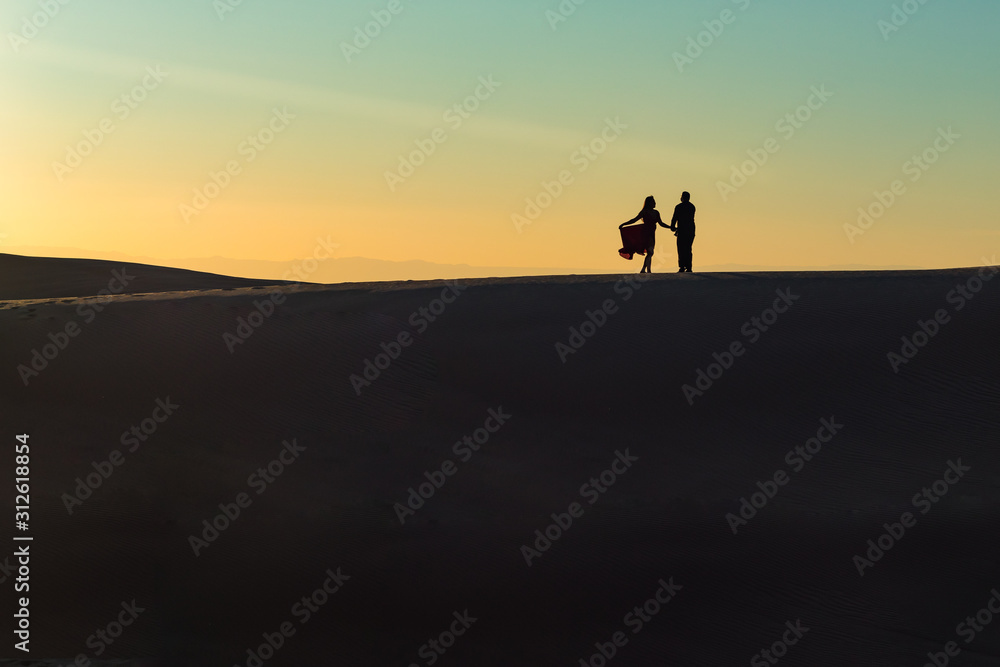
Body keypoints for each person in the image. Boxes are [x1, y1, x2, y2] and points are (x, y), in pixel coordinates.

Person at [620, 196, 669, 273]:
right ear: (649, 203)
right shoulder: (644, 212)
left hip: (652, 234)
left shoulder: (656, 212)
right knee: (650, 252)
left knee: (650, 252)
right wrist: (624, 224)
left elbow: (661, 223)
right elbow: (634, 220)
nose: (655, 203)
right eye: (653, 202)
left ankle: (647, 270)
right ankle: (645, 269)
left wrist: (670, 227)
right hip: (645, 234)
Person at [670, 192, 696, 273]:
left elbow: (675, 217)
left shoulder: (679, 207)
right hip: (691, 230)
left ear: (682, 198)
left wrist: (672, 227)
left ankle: (682, 266)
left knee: (681, 248)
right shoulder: (692, 206)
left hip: (682, 230)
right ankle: (689, 267)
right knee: (688, 248)